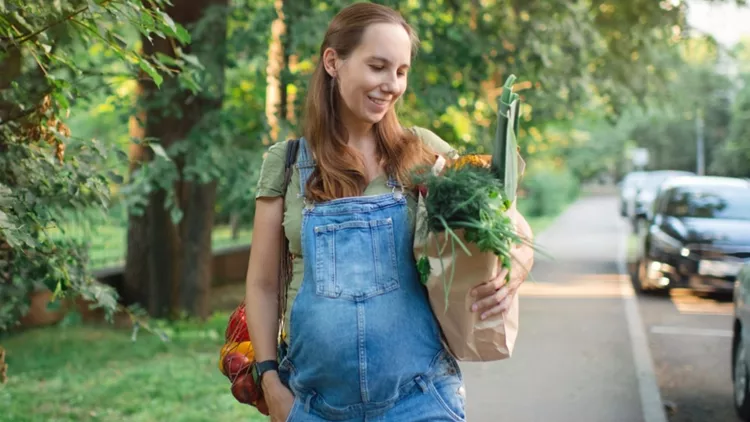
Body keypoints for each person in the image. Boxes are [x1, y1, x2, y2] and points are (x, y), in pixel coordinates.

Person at [244, 2, 534, 421]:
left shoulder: (421, 153)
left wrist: (517, 267)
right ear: (333, 62)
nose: (391, 85)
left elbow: (502, 220)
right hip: (312, 406)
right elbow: (262, 284)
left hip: (420, 400)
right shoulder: (287, 162)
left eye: (400, 72)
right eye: (378, 66)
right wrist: (270, 381)